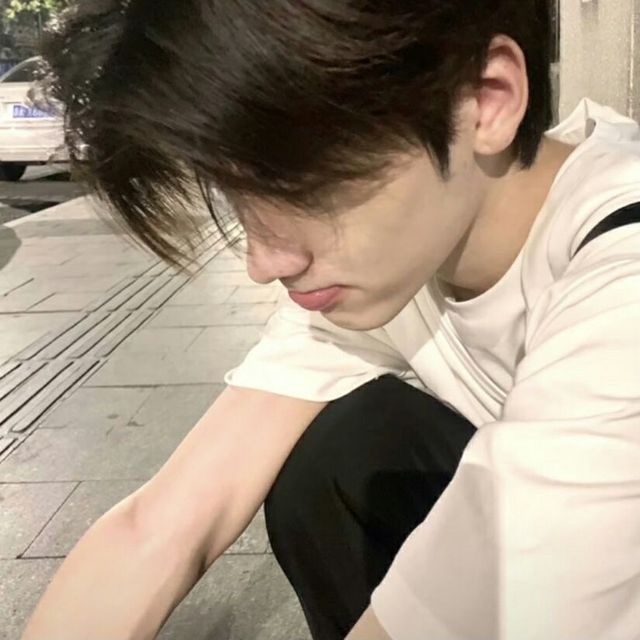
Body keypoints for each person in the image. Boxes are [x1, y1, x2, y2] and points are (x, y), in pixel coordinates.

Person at [21, 1, 640, 639]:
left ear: (485, 101)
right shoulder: (400, 260)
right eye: (235, 193)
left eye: (299, 185)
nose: (263, 262)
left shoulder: (623, 280)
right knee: (341, 454)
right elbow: (159, 528)